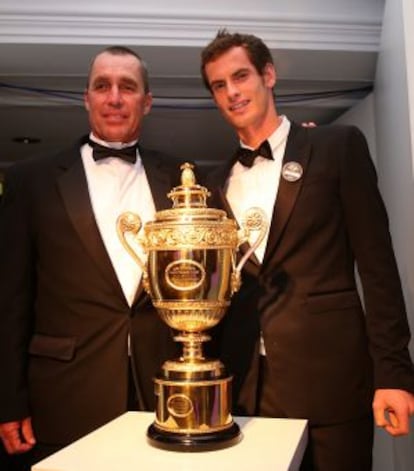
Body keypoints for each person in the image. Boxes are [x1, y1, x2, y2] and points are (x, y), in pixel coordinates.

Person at [200, 30, 414, 470]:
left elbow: (378, 268)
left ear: (269, 75)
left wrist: (393, 373)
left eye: (240, 76)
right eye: (219, 85)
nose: (232, 92)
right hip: (243, 391)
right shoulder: (210, 184)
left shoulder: (337, 148)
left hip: (331, 383)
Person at [0, 46, 179, 469]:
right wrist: (8, 399)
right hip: (63, 395)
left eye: (128, 87)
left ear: (146, 102)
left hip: (162, 393)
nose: (114, 97)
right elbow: (9, 302)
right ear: (87, 98)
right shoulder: (31, 180)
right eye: (102, 86)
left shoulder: (181, 178)